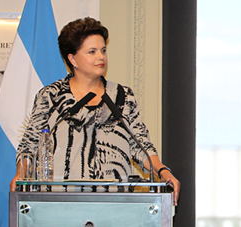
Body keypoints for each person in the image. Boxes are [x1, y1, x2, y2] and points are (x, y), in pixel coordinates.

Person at [9, 17, 180, 205]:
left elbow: (141, 145)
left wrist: (163, 171)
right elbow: (30, 144)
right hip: (61, 204)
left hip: (115, 205)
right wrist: (21, 173)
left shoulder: (122, 97)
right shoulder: (51, 96)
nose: (101, 57)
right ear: (72, 58)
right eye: (92, 52)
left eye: (103, 50)